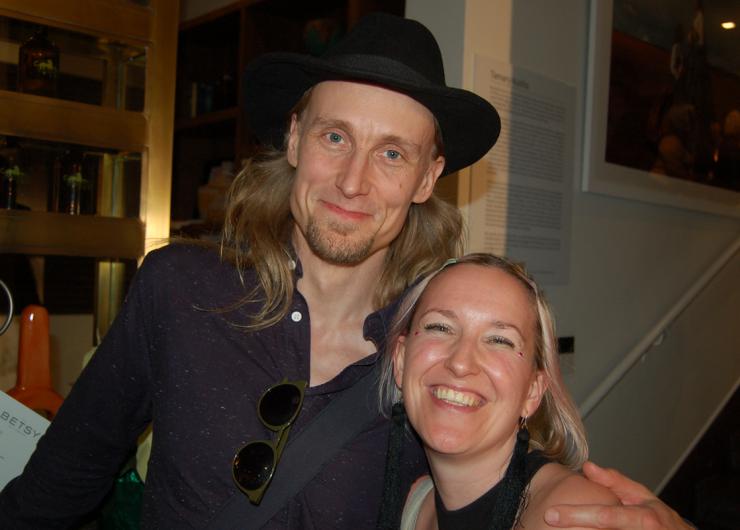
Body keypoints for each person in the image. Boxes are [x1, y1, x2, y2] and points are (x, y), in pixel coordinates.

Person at [0, 12, 690, 530]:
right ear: (295, 138)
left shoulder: (427, 344)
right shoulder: (179, 289)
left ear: (428, 177)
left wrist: (554, 493)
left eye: (392, 154)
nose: (353, 182)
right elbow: (61, 483)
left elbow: (491, 450)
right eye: (336, 137)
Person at [378, 254, 619, 529]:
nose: (460, 363)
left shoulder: (569, 516)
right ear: (401, 361)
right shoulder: (413, 503)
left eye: (499, 341)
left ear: (532, 392)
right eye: (440, 327)